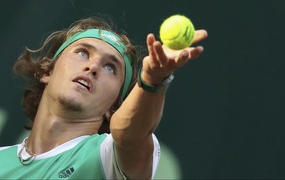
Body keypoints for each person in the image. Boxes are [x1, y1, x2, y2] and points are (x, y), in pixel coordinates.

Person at [0, 16, 207, 179]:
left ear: (114, 107)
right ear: (47, 71)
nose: (93, 67)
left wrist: (152, 80)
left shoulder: (108, 160)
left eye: (111, 67)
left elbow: (129, 135)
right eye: (82, 53)